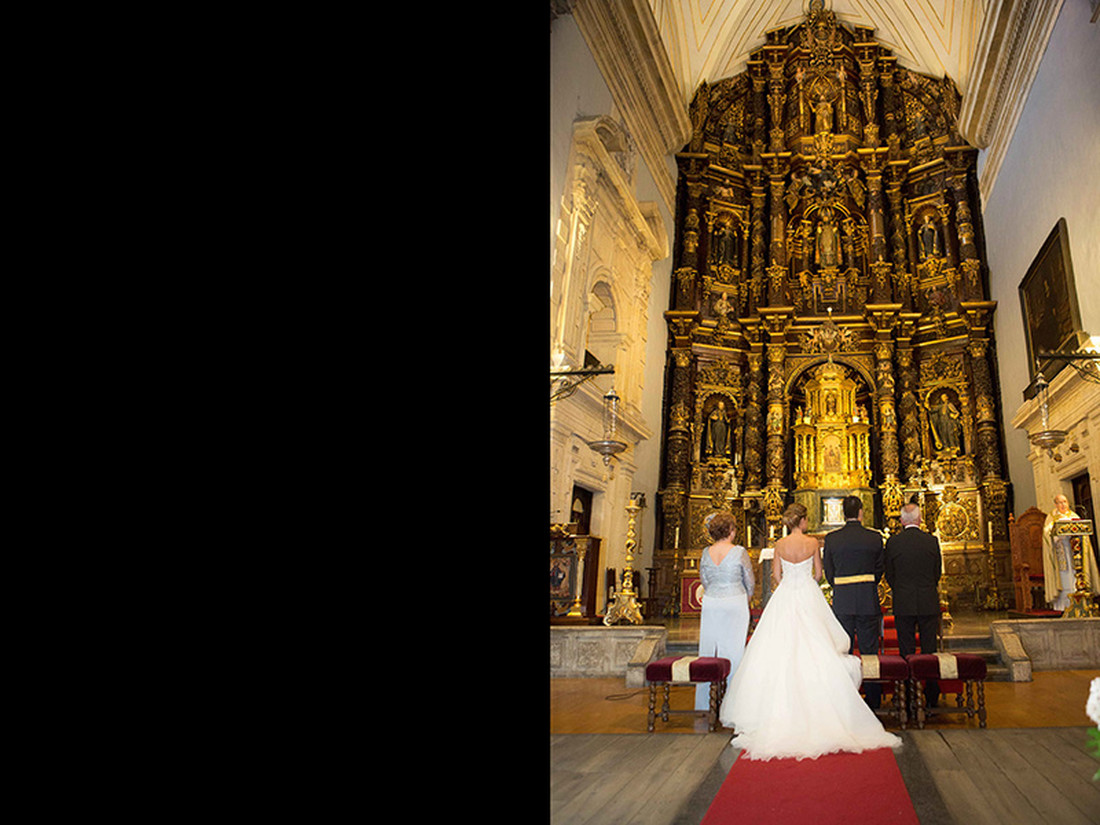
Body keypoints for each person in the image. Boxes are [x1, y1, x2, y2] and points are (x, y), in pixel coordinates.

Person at [719, 503, 900, 760]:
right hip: (808, 594)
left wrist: (791, 586)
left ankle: (775, 711)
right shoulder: (813, 542)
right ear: (802, 521)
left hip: (786, 597)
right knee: (818, 647)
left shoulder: (779, 545)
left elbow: (777, 577)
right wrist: (806, 585)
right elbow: (818, 574)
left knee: (778, 649)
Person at [823, 494, 885, 709]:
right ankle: (874, 698)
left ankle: (846, 699)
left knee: (843, 651)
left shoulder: (832, 539)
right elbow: (879, 568)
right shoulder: (874, 537)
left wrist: (840, 585)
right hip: (867, 598)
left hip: (843, 601)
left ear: (843, 514)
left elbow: (828, 572)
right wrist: (867, 582)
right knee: (870, 651)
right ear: (860, 512)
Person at [695, 512, 754, 712]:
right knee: (734, 650)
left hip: (711, 602)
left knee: (708, 649)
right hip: (735, 601)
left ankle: (704, 704)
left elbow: (704, 580)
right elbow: (749, 580)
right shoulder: (739, 552)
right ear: (730, 530)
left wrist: (715, 592)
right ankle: (733, 704)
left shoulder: (705, 552)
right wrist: (745, 598)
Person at [885, 503, 942, 709]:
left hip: (903, 601)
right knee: (929, 650)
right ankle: (932, 695)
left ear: (901, 521)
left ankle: (908, 695)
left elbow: (889, 574)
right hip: (928, 601)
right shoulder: (931, 541)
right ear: (919, 520)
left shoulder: (893, 542)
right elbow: (937, 572)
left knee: (905, 650)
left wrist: (901, 589)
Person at [1042, 493, 1100, 610]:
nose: (1063, 505)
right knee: (1063, 578)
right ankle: (1063, 606)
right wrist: (1054, 530)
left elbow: (1082, 533)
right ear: (1055, 504)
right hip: (1060, 553)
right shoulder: (1052, 517)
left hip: (1074, 551)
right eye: (1060, 502)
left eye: (1065, 502)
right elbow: (1046, 533)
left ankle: (1079, 603)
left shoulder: (1074, 516)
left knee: (1075, 576)